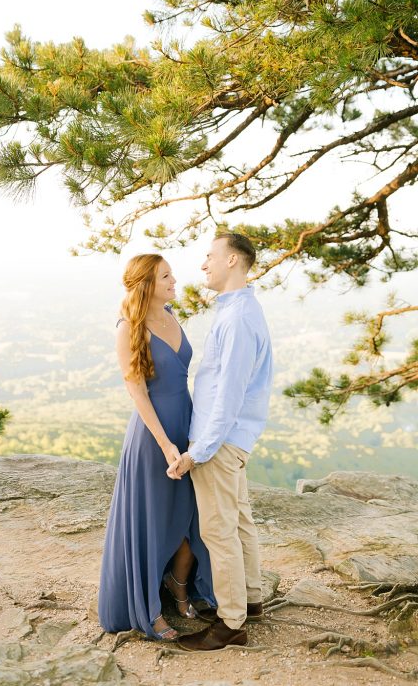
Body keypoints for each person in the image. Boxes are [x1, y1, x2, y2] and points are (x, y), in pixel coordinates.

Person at [98, 254, 215, 641]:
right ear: (147, 283)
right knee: (155, 521)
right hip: (153, 437)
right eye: (166, 276)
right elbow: (137, 392)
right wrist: (165, 443)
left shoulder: (171, 315)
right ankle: (147, 609)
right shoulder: (129, 327)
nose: (175, 281)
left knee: (192, 518)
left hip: (187, 427)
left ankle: (178, 586)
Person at [167, 232, 273, 651]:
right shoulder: (236, 310)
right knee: (240, 520)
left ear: (232, 260)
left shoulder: (238, 319)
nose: (204, 264)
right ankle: (251, 599)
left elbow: (228, 396)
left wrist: (199, 451)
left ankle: (231, 624)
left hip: (221, 442)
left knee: (219, 530)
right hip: (232, 439)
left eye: (210, 256)